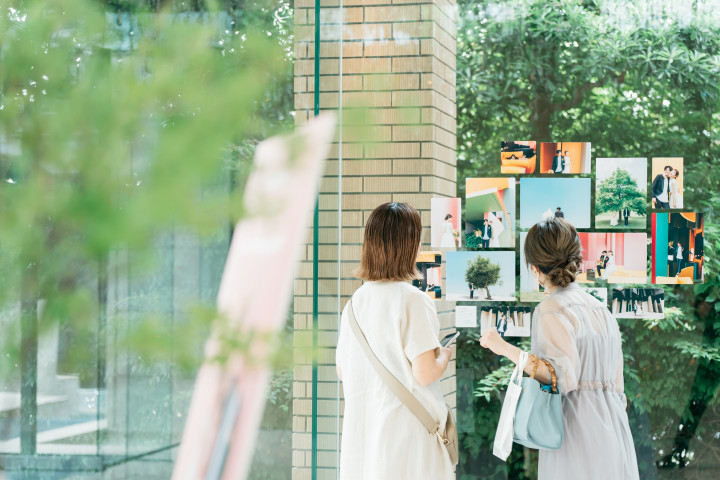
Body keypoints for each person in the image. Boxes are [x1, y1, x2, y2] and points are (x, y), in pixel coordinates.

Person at [479, 217, 639, 480]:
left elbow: (561, 379)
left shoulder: (551, 309)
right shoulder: (601, 309)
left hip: (576, 432)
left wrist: (503, 348)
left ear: (534, 268)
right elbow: (618, 386)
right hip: (615, 429)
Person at [336, 202, 455, 479]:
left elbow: (343, 371)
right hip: (406, 437)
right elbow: (424, 372)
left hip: (363, 440)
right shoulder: (413, 300)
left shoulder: (354, 304)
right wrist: (445, 356)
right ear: (410, 246)